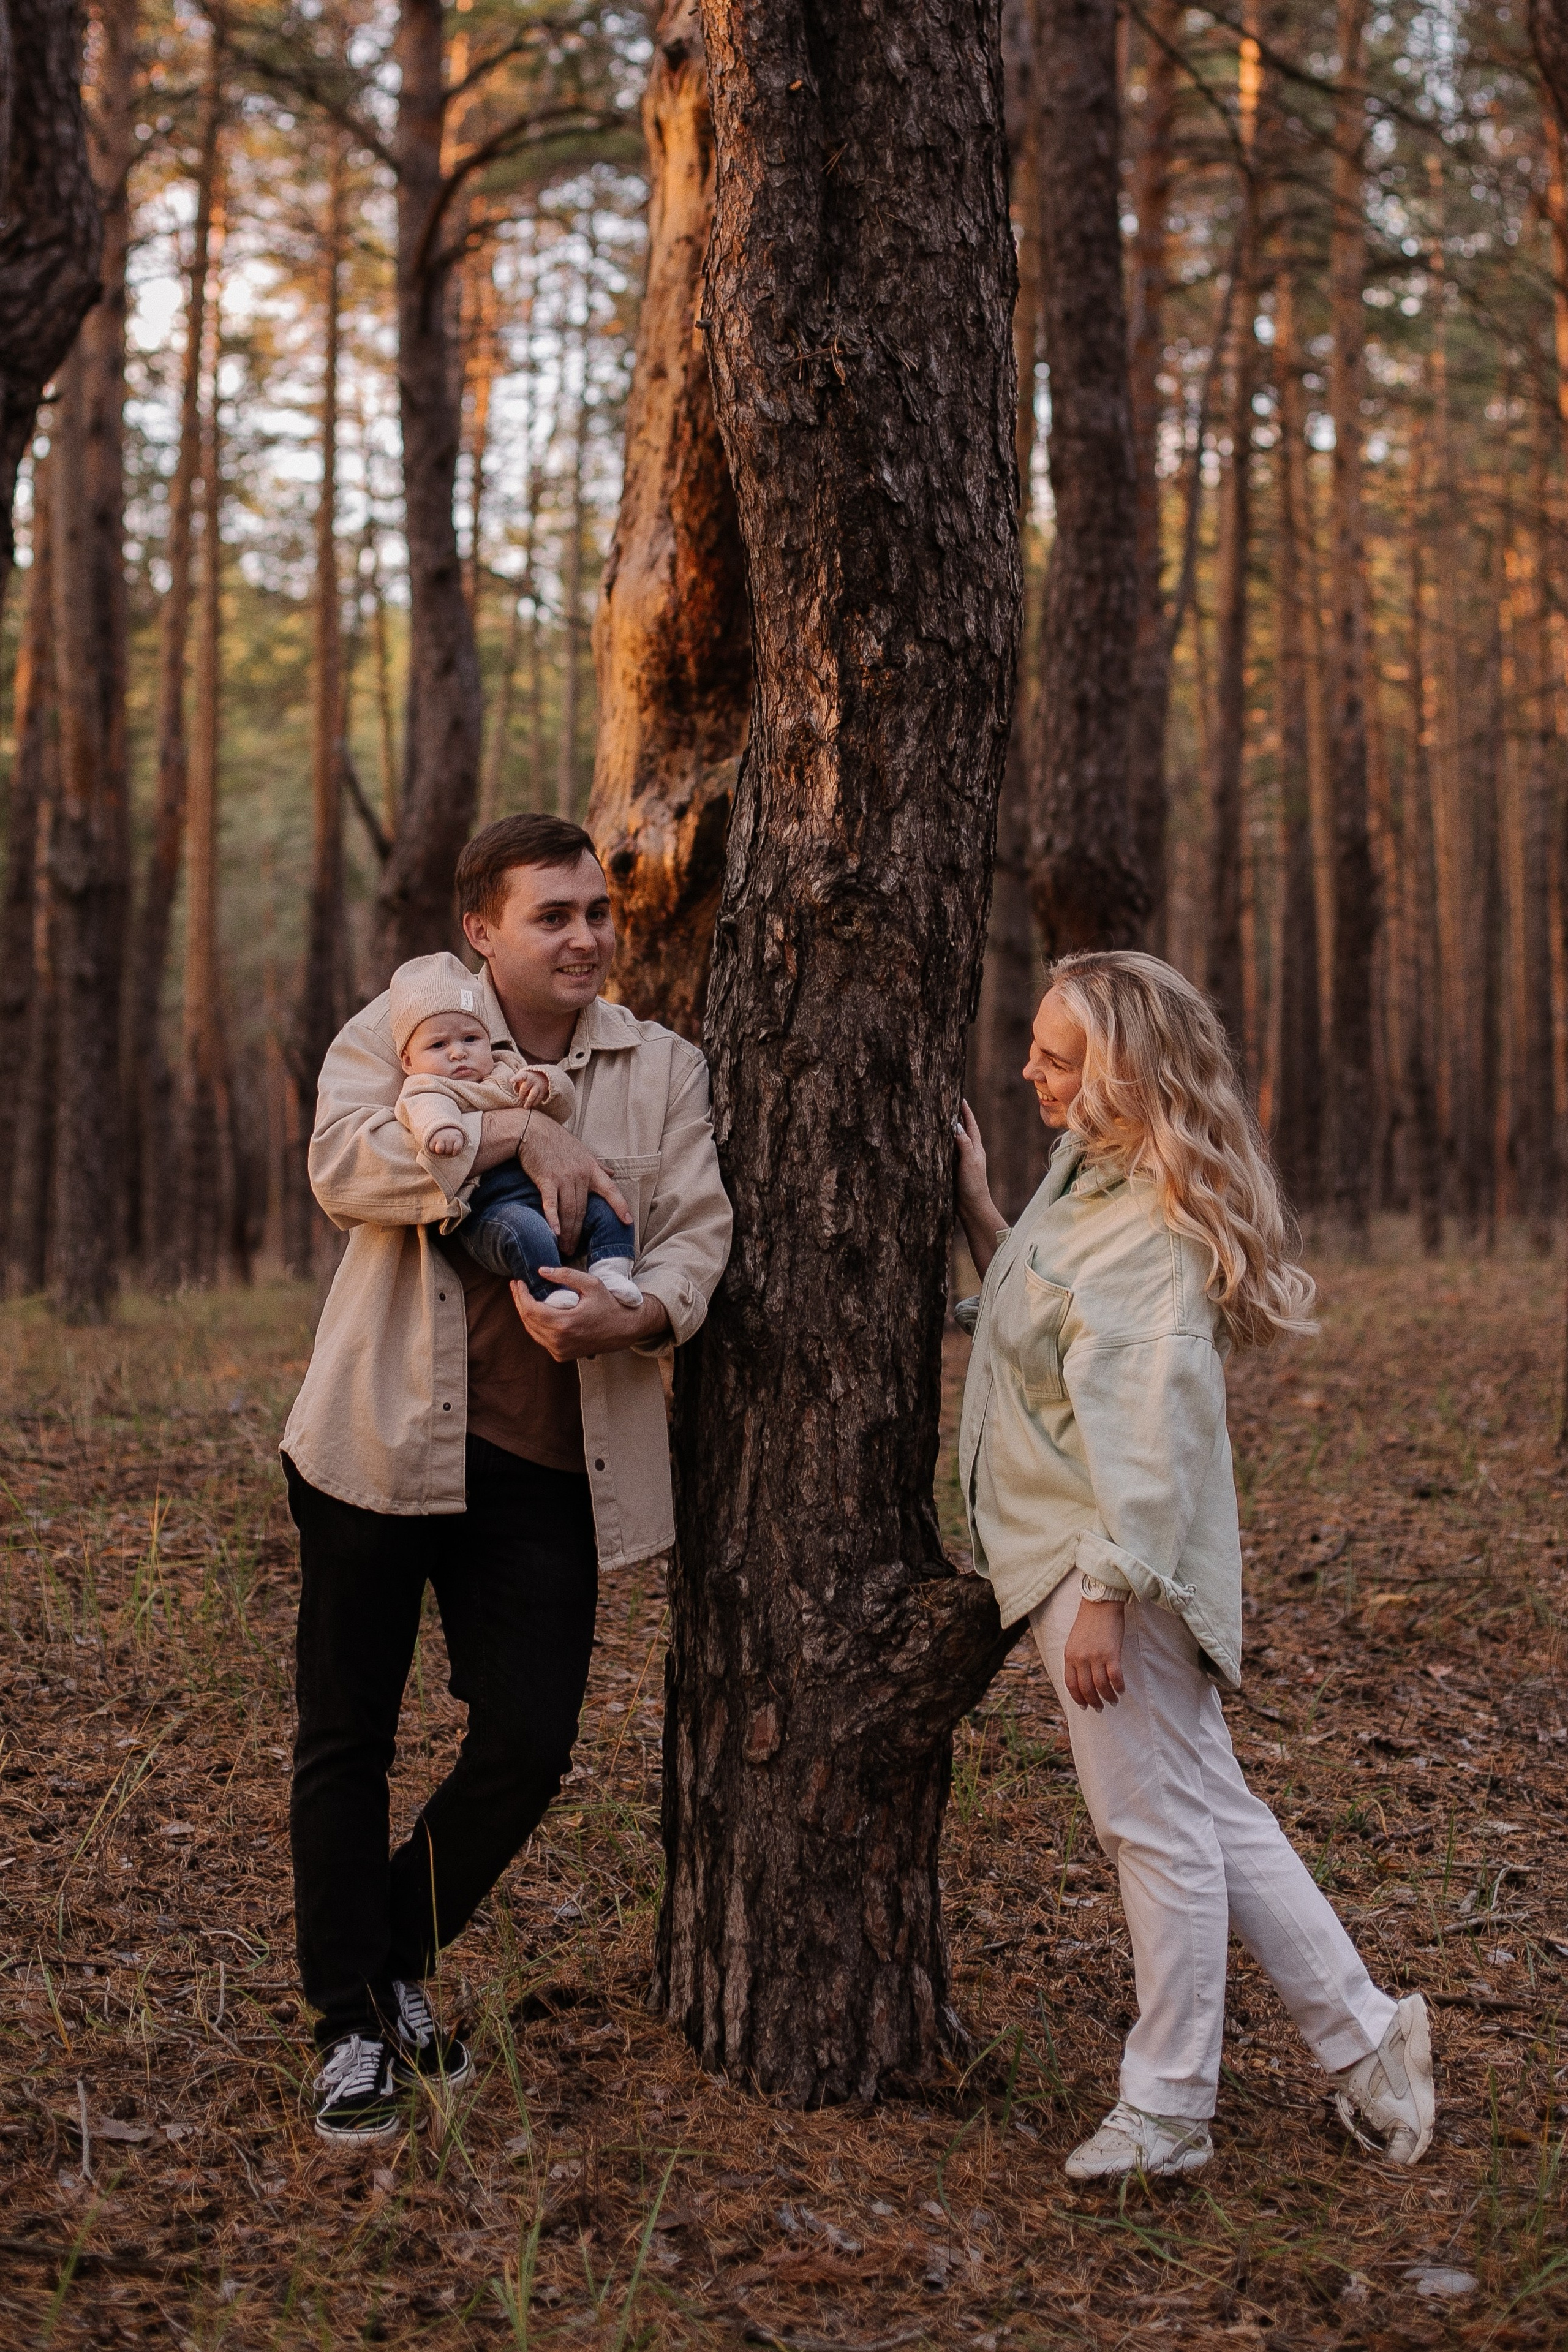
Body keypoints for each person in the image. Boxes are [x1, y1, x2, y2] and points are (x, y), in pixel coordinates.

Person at [281, 813, 732, 2147]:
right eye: (553, 915)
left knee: (529, 1743)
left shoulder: (663, 1069)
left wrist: (639, 1320)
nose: (586, 935)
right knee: (345, 1734)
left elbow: (697, 1240)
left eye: (597, 910)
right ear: (482, 930)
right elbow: (343, 1164)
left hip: (551, 1467)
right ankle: (353, 2025)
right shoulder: (411, 1020)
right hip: (378, 1437)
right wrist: (508, 1139)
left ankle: (388, 1960)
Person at [953, 951, 1434, 2182]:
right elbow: (1045, 1320)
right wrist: (973, 1209)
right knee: (1210, 1813)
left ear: (1123, 1074)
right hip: (1100, 1558)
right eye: (1034, 1048)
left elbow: (1150, 1449)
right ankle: (1369, 2041)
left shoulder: (1144, 1240)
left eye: (1056, 1059)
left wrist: (1102, 1597)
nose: (1029, 1073)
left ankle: (1168, 2109)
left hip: (1110, 1570)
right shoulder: (1090, 1186)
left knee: (1150, 1829)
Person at [391, 963, 643, 1308]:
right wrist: (443, 1129)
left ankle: (612, 1270)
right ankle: (550, 1292)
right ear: (408, 1061)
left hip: (544, 1192)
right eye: (438, 1045)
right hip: (491, 1207)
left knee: (610, 1208)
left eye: (471, 1038)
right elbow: (427, 1111)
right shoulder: (428, 1086)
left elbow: (562, 1103)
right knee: (526, 1231)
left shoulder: (505, 1069)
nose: (458, 1052)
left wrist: (544, 1083)